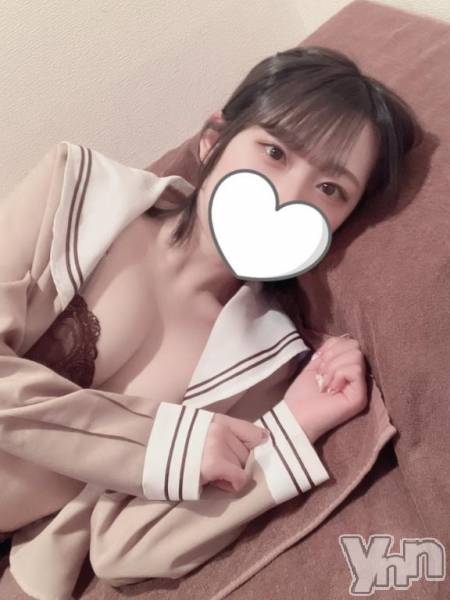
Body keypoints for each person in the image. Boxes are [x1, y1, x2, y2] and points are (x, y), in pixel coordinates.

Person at [0, 45, 424, 596]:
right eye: (274, 152)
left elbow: (125, 548)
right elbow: (168, 453)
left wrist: (291, 429)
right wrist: (158, 442)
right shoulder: (74, 195)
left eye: (330, 189)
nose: (286, 197)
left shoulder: (260, 358)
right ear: (212, 139)